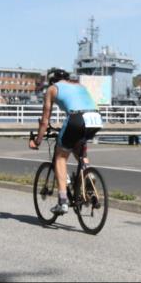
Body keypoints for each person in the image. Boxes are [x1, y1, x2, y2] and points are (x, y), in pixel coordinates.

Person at [29, 68, 103, 214]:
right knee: (80, 153)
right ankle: (88, 174)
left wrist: (37, 141)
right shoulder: (80, 86)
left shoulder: (52, 89)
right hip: (95, 119)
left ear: (51, 81)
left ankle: (62, 202)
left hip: (77, 118)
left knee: (60, 157)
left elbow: (44, 121)